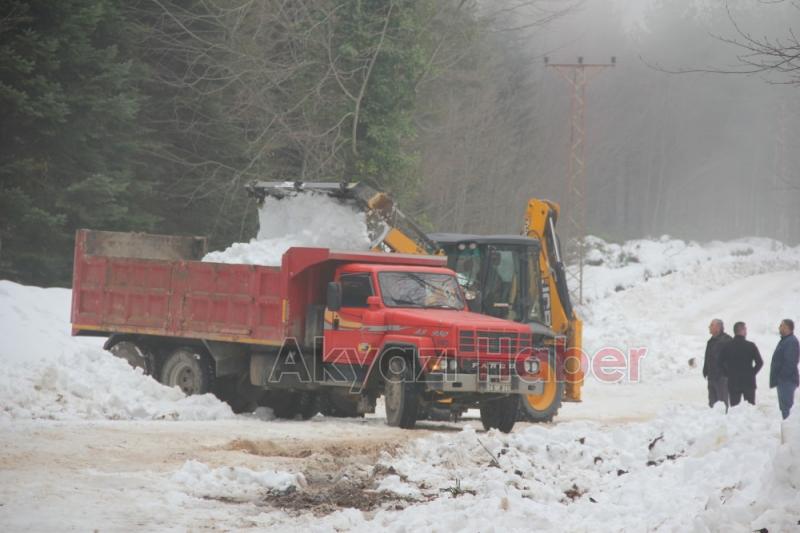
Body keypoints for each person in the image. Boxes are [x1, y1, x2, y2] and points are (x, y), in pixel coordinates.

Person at [719, 321, 763, 406]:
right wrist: (752, 373)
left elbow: (720, 363)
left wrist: (727, 373)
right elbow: (760, 362)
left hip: (733, 381)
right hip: (748, 382)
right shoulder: (750, 345)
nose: (746, 331)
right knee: (750, 409)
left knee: (735, 410)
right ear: (742, 330)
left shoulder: (727, 346)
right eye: (745, 329)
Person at [769, 318, 800, 419]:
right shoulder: (786, 340)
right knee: (785, 408)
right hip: (784, 381)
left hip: (787, 381)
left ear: (787, 327)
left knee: (787, 409)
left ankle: (790, 432)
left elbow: (790, 362)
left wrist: (781, 377)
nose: (779, 327)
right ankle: (789, 430)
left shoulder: (791, 342)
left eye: (781, 325)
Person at [703, 318, 732, 409]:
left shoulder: (727, 341)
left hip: (722, 378)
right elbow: (708, 357)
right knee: (712, 403)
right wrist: (705, 369)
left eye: (711, 325)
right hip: (711, 377)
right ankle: (713, 421)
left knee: (722, 402)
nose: (709, 327)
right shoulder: (711, 341)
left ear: (718, 327)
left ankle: (723, 421)